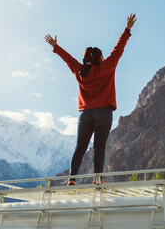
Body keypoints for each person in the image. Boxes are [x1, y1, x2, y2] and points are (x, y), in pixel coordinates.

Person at [45, 14, 137, 186]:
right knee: (99, 148)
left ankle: (72, 180)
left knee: (80, 148)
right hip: (104, 113)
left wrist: (56, 47)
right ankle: (98, 180)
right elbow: (119, 49)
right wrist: (127, 29)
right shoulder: (108, 66)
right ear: (100, 58)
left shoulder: (79, 71)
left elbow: (68, 59)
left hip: (85, 114)